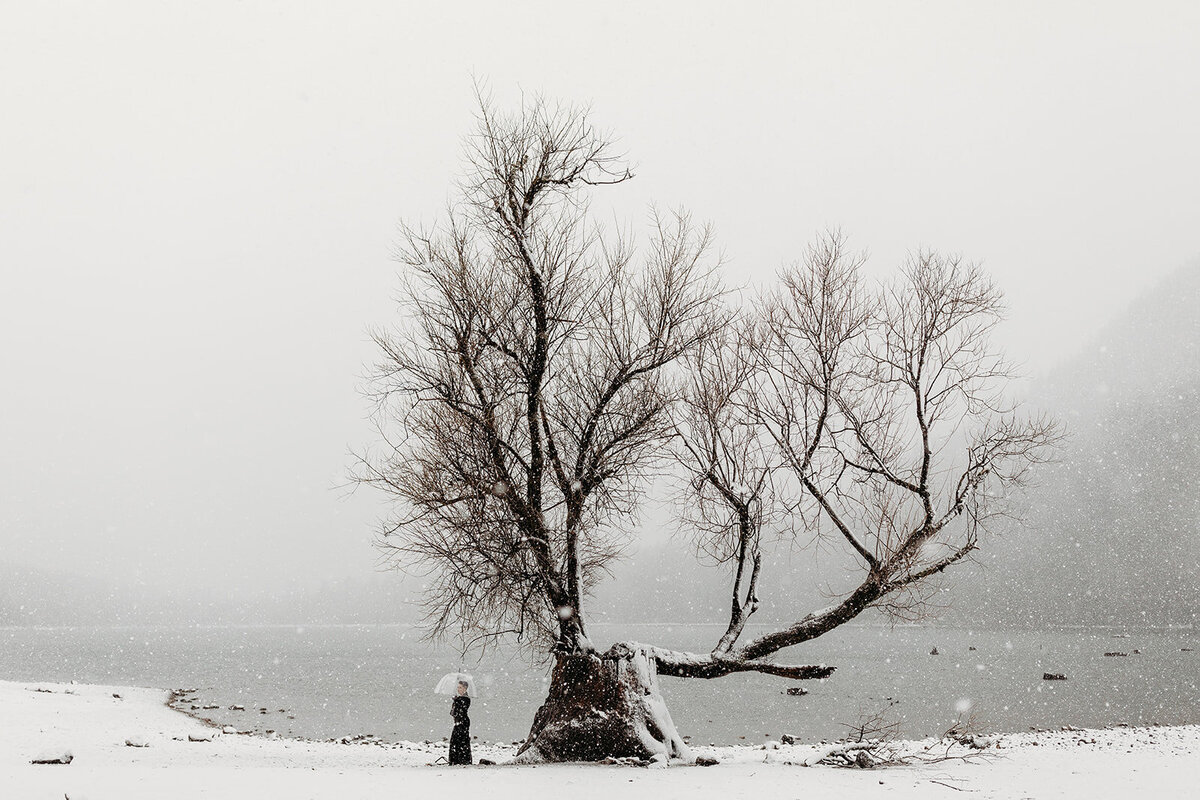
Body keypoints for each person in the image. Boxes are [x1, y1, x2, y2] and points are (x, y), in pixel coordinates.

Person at [448, 679, 472, 765]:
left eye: (460, 687)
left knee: (461, 741)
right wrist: (455, 701)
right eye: (458, 687)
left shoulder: (466, 699)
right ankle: (456, 760)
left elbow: (462, 710)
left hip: (463, 722)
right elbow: (453, 713)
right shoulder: (460, 699)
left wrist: (456, 701)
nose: (458, 689)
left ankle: (462, 760)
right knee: (455, 741)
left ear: (465, 688)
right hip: (458, 722)